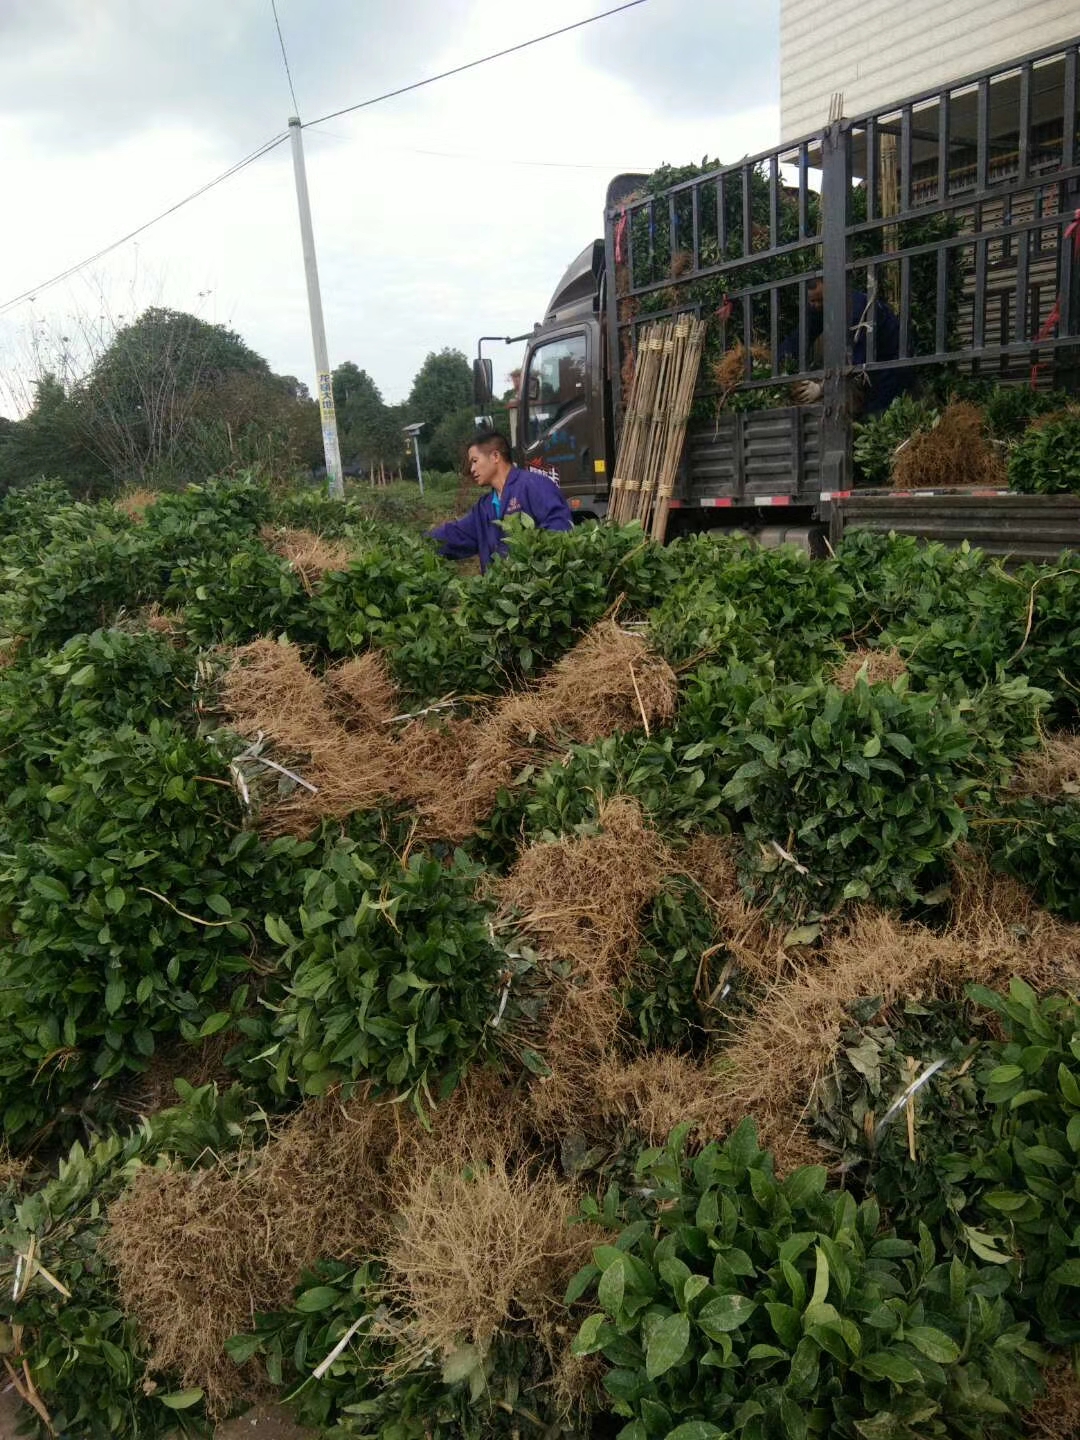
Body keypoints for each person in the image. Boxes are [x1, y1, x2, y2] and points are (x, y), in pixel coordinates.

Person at [428, 430, 573, 572]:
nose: (472, 469)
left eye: (475, 461)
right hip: (501, 591)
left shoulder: (533, 485)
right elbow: (458, 534)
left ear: (495, 456)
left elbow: (558, 530)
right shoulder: (484, 507)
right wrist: (423, 544)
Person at [782, 279, 913, 414]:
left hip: (891, 359)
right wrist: (777, 363)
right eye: (812, 301)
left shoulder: (856, 309)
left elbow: (855, 363)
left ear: (832, 291)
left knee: (880, 412)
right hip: (870, 363)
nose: (816, 305)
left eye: (820, 300)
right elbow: (799, 338)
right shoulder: (820, 306)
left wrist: (822, 388)